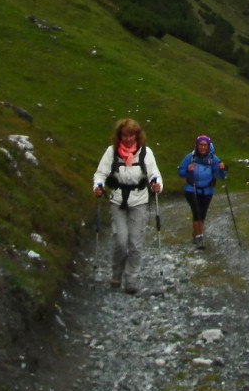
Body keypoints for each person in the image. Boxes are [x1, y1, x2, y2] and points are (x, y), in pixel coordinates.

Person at [92, 118, 162, 294]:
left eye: (131, 135)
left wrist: (156, 184)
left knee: (135, 243)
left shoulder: (146, 153)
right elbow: (100, 173)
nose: (128, 139)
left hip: (139, 200)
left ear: (138, 136)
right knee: (121, 241)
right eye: (125, 135)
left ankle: (131, 280)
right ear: (119, 136)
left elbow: (155, 174)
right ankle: (116, 274)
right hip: (117, 199)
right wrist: (98, 186)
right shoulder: (112, 152)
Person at [176, 133, 226, 246]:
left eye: (205, 145)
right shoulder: (190, 157)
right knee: (196, 211)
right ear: (197, 146)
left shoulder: (213, 159)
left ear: (208, 146)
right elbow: (180, 172)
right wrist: (187, 171)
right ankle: (199, 236)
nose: (203, 147)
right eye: (200, 145)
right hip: (191, 189)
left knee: (202, 213)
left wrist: (222, 169)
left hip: (208, 190)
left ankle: (197, 233)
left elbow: (221, 176)